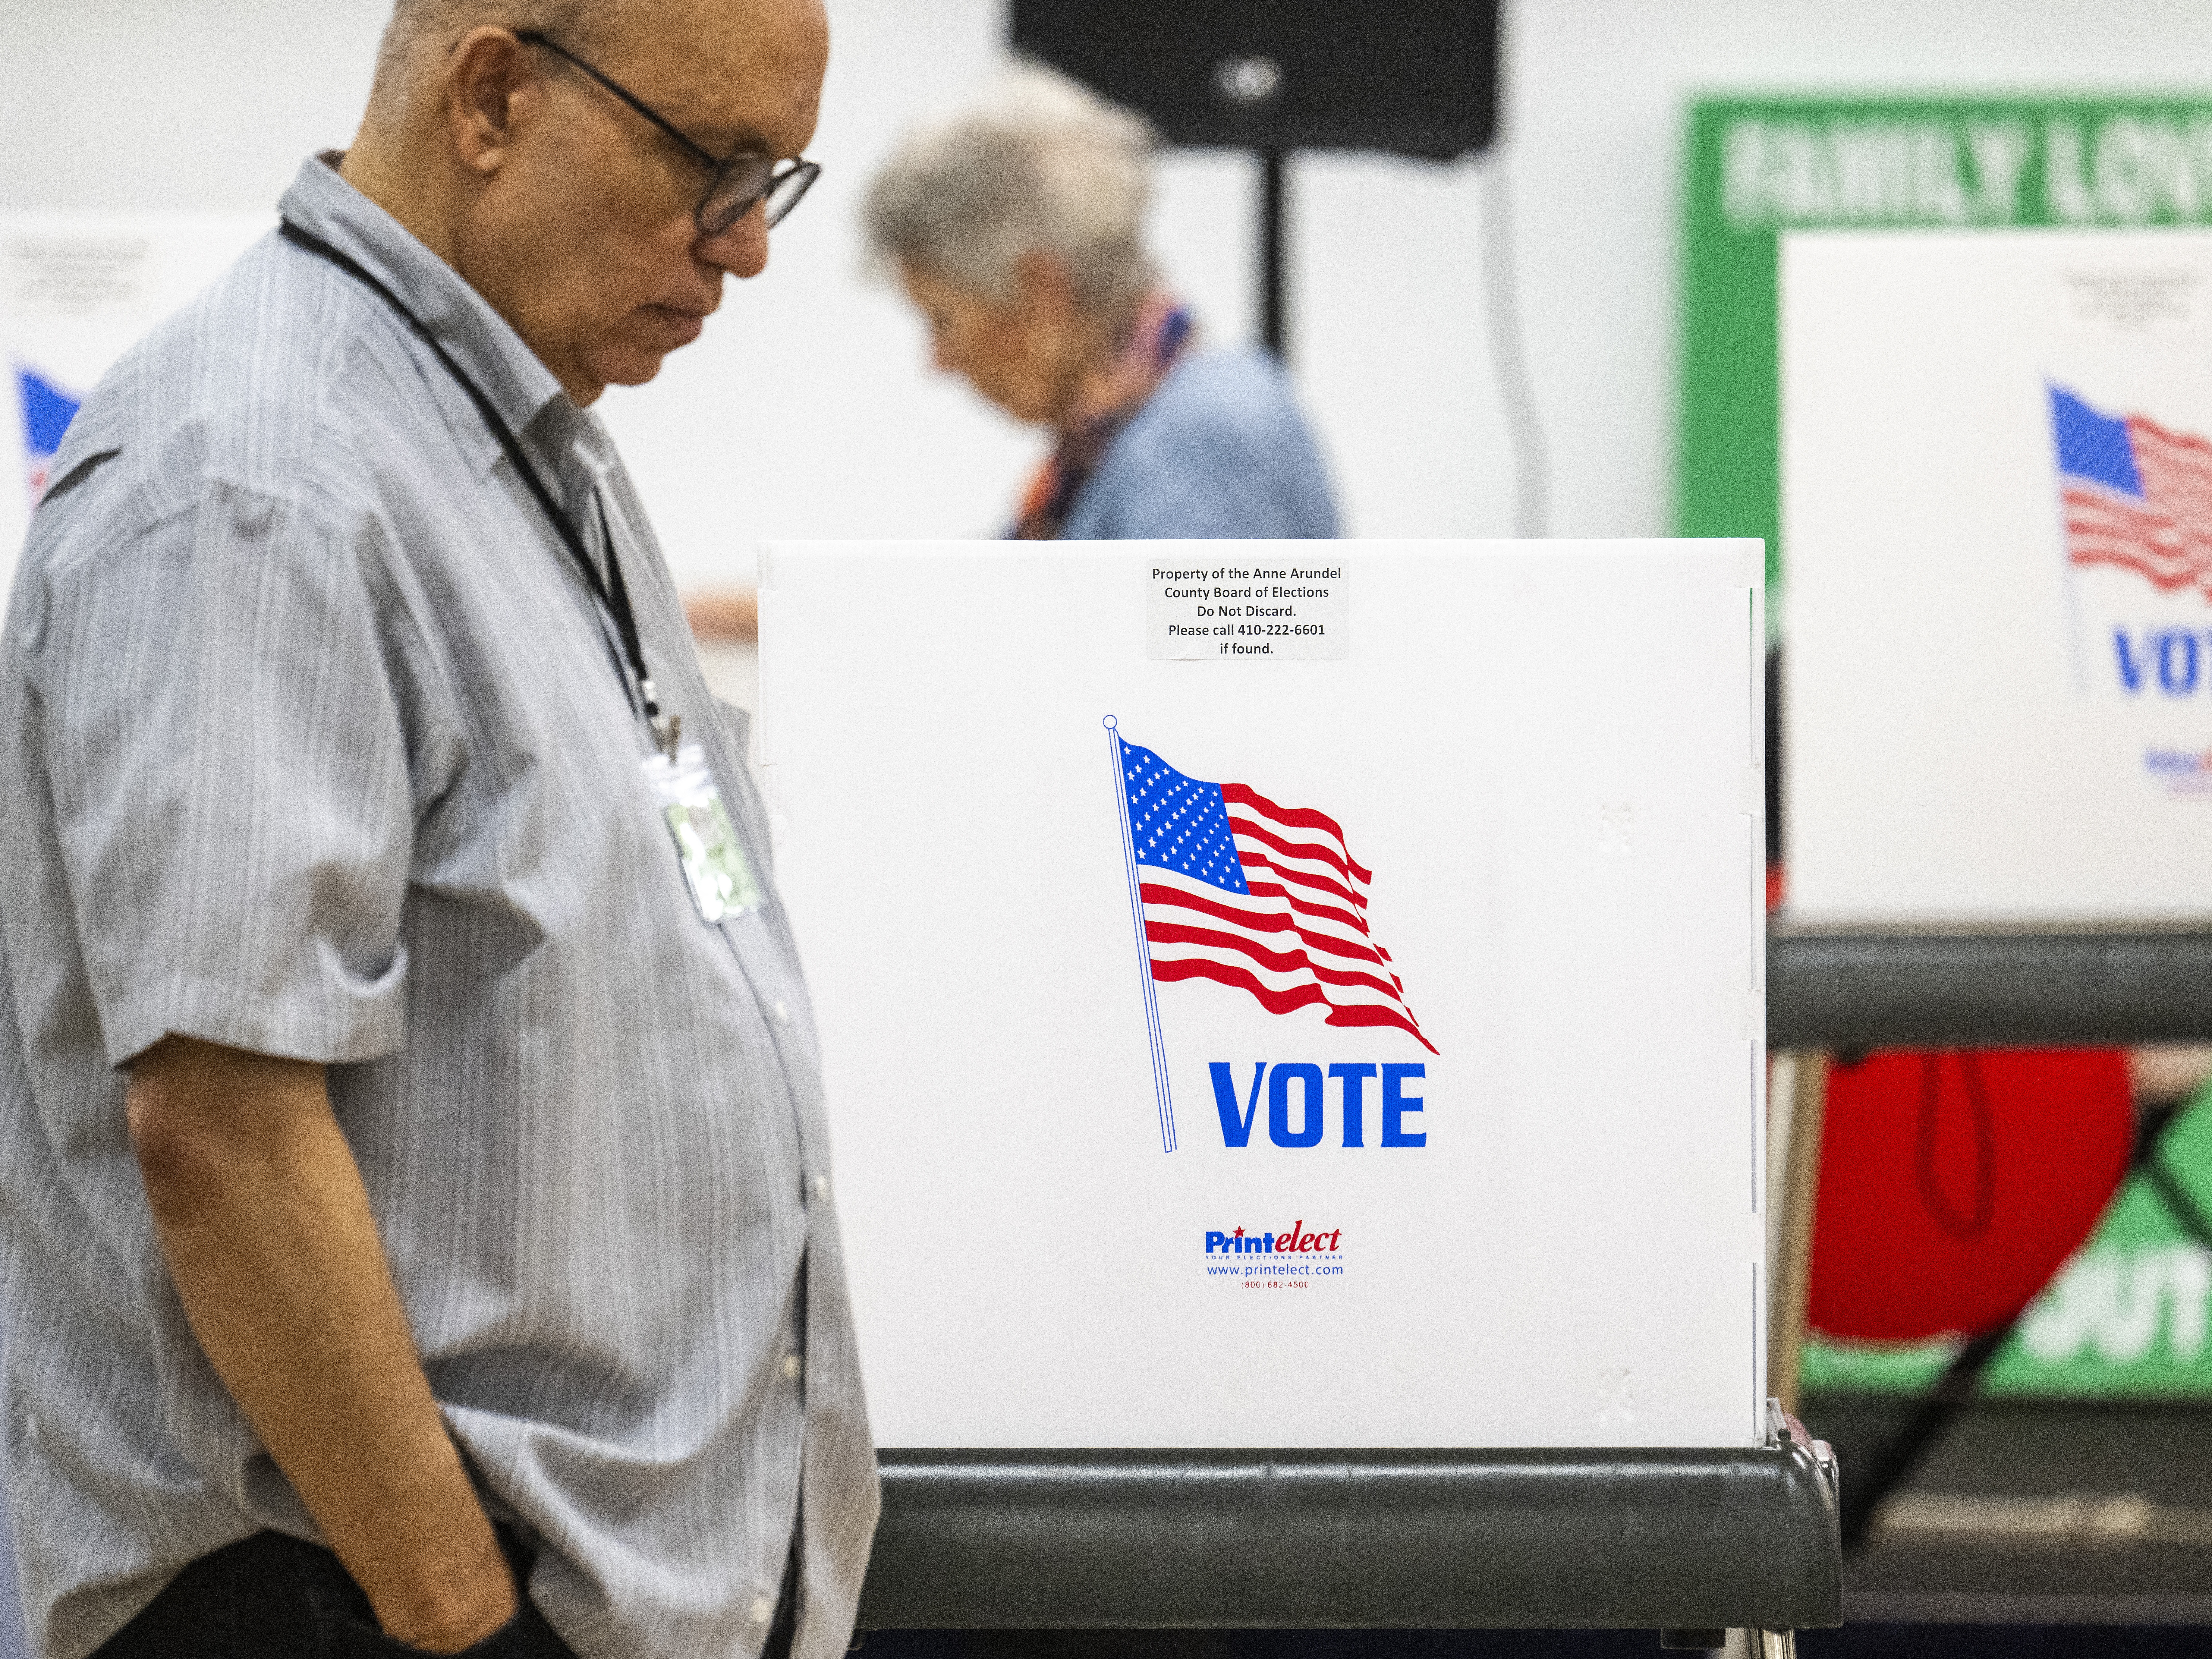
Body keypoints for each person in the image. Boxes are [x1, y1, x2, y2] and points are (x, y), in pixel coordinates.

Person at [0, 4, 878, 1658]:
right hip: (363, 1610)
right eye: (716, 169)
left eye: (774, 180)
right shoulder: (260, 477)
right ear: (492, 95)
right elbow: (225, 1127)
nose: (749, 247)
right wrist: (463, 1617)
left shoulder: (518, 449)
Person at [871, 64, 1338, 543]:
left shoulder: (1202, 438)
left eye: (943, 319)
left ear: (1042, 294)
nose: (939, 361)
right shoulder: (1116, 445)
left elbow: (1187, 620)